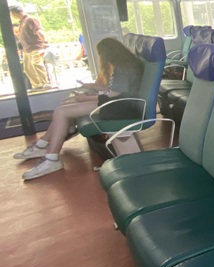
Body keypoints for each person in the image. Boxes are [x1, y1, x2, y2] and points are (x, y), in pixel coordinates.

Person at [14, 38, 143, 181]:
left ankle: (51, 158)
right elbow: (116, 90)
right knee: (64, 106)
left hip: (120, 107)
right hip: (119, 103)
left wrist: (86, 98)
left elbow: (114, 95)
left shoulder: (124, 67)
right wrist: (92, 87)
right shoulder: (125, 64)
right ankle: (43, 144)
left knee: (61, 112)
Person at [9, 5, 49, 90]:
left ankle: (45, 83)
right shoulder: (21, 22)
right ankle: (37, 85)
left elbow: (38, 30)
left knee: (36, 64)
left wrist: (45, 42)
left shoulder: (30, 19)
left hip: (36, 47)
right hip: (26, 49)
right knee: (27, 68)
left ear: (14, 13)